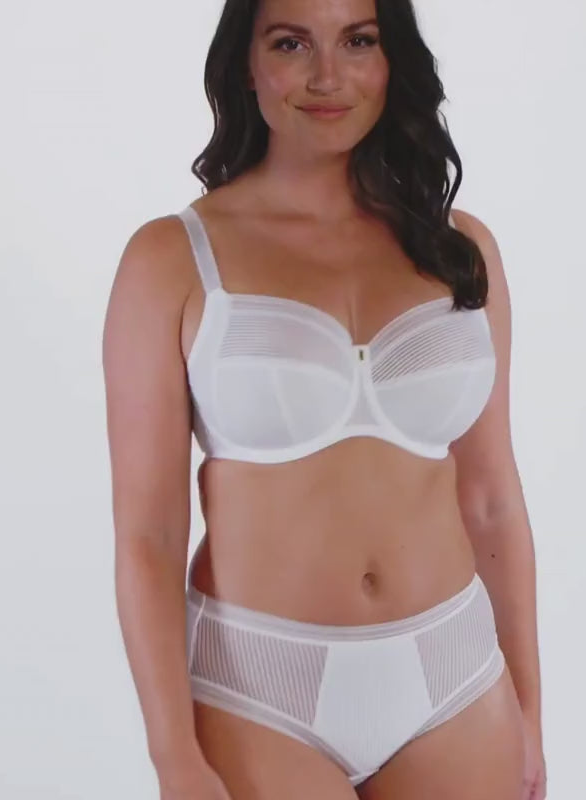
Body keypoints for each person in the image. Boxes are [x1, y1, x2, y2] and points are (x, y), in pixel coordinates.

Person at [103, 0, 546, 798]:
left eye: (359, 41)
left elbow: (491, 501)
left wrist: (531, 712)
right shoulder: (173, 259)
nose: (327, 76)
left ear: (392, 57)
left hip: (454, 678)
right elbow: (149, 534)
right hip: (260, 690)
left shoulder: (460, 249)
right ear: (246, 64)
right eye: (291, 44)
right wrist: (174, 756)